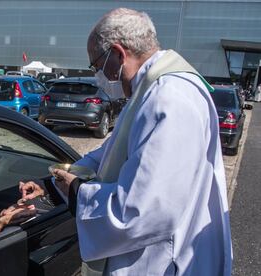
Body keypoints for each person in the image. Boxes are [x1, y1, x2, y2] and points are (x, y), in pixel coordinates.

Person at [20, 7, 232, 276]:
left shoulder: (169, 98)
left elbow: (142, 210)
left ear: (118, 54)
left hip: (163, 262)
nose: (99, 76)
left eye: (97, 66)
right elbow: (110, 153)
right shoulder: (149, 93)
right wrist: (53, 183)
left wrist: (77, 191)